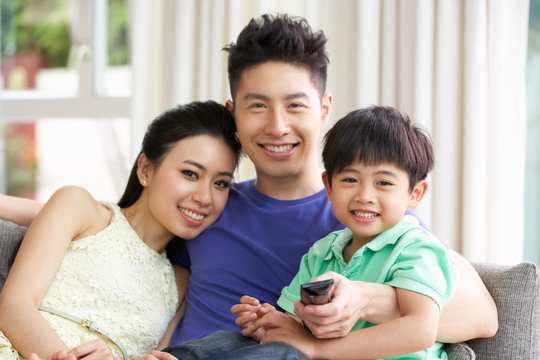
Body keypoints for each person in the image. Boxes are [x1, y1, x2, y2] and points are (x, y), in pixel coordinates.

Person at [1, 13, 497, 356]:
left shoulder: (360, 215)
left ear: (324, 111)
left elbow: (481, 314)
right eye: (257, 106)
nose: (277, 126)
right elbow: (115, 221)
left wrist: (365, 299)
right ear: (233, 114)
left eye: (295, 105)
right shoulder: (208, 206)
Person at [0, 101, 242, 360]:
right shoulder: (79, 207)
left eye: (220, 183)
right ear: (146, 170)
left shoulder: (181, 284)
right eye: (190, 173)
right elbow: (14, 307)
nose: (205, 197)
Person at [220, 105, 457, 360]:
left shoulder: (415, 247)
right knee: (225, 340)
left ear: (415, 193)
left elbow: (420, 330)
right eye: (350, 180)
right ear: (329, 187)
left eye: (383, 183)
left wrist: (317, 350)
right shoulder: (322, 253)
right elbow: (298, 325)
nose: (364, 196)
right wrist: (270, 323)